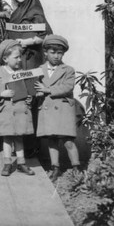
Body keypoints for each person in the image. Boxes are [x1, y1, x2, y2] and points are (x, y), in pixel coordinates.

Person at [5, 0, 52, 158]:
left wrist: (27, 41)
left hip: (31, 61)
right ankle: (20, 143)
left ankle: (33, 144)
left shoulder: (35, 11)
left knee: (31, 99)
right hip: (16, 62)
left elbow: (44, 36)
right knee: (17, 98)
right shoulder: (16, 12)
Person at [34, 35, 80, 181]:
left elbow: (67, 87)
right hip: (48, 108)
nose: (56, 56)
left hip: (63, 109)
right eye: (53, 52)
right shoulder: (39, 70)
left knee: (68, 141)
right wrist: (35, 93)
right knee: (52, 140)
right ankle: (55, 167)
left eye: (60, 52)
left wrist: (47, 89)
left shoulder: (68, 70)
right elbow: (34, 87)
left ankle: (76, 168)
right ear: (45, 53)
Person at [0, 40, 35, 177]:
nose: (19, 60)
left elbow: (28, 90)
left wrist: (29, 98)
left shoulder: (23, 74)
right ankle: (7, 163)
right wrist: (1, 94)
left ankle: (21, 163)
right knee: (7, 139)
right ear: (5, 58)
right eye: (16, 57)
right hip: (6, 112)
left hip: (20, 111)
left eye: (20, 57)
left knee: (19, 137)